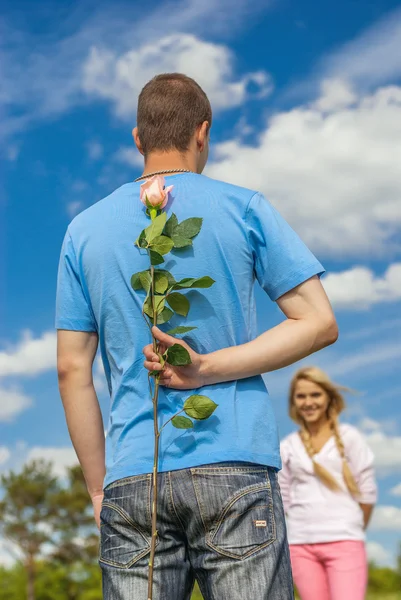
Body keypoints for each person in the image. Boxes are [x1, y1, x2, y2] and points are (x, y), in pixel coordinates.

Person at [56, 73, 338, 600]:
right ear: (202, 133)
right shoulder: (245, 207)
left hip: (133, 476)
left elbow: (73, 370)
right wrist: (206, 369)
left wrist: (99, 487)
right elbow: (319, 322)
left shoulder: (82, 231)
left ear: (138, 139)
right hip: (234, 465)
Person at [278, 367, 377, 600]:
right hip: (301, 545)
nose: (308, 402)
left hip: (345, 540)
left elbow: (367, 491)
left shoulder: (349, 437)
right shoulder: (288, 446)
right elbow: (282, 497)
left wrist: (351, 527)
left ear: (328, 398)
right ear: (293, 401)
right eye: (301, 396)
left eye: (315, 395)